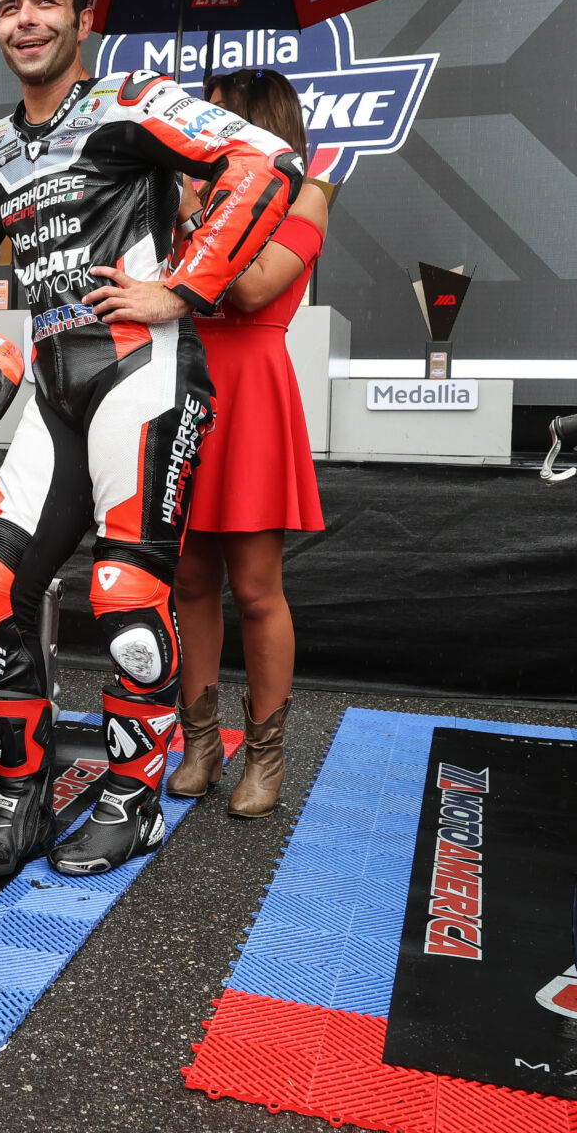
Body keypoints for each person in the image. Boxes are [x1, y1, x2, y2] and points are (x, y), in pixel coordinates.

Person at [0, 0, 300, 879]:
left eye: (47, 3)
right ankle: (20, 807)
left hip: (145, 374)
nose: (26, 20)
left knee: (127, 602)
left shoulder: (132, 100)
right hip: (54, 388)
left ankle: (134, 801)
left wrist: (184, 288)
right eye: (10, 8)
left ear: (84, 22)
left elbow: (267, 161)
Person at [167, 68, 327, 818]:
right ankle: (199, 743)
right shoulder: (182, 195)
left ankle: (265, 757)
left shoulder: (308, 194)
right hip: (183, 386)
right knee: (189, 584)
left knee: (258, 590)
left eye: (220, 117)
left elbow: (255, 287)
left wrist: (201, 217)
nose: (205, 130)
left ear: (261, 122)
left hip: (253, 391)